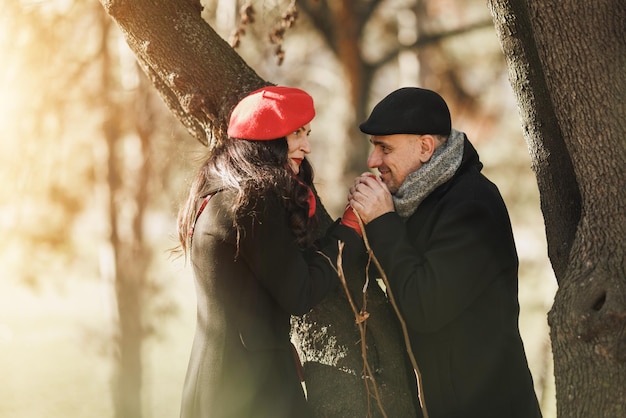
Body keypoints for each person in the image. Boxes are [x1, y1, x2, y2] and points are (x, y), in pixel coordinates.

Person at [346, 87, 543, 418]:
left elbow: (425, 305)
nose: (372, 161)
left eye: (385, 148)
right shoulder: (411, 202)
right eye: (373, 148)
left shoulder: (472, 204)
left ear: (425, 147)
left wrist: (383, 223)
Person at [176, 85, 359, 418]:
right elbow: (301, 294)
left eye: (307, 133)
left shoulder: (218, 193)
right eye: (296, 134)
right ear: (268, 142)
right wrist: (350, 229)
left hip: (221, 383)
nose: (306, 146)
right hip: (249, 393)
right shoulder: (253, 200)